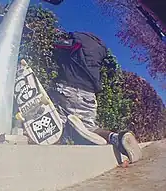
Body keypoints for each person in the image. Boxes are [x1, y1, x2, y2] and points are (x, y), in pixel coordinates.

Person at [49, 31, 142, 164]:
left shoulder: (76, 43)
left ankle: (53, 161)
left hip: (68, 90)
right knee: (90, 128)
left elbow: (56, 46)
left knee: (59, 124)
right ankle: (116, 138)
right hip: (89, 96)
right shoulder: (99, 51)